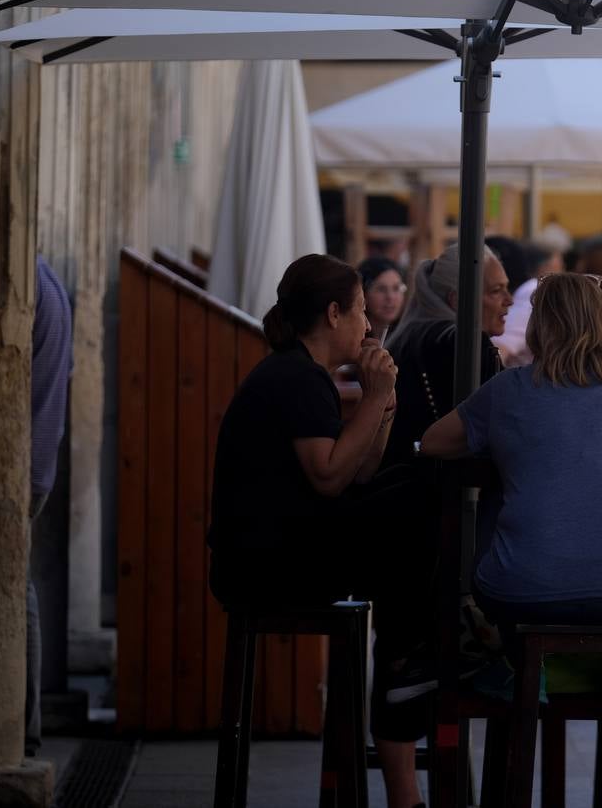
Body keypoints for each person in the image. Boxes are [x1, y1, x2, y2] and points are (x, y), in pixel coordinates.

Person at [207, 254, 432, 808]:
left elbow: (362, 469)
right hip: (268, 565)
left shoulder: (307, 375)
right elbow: (331, 477)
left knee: (410, 480)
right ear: (333, 314)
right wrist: (374, 398)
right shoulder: (294, 377)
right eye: (360, 311)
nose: (369, 325)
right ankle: (409, 656)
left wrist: (382, 411)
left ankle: (409, 654)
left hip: (289, 548)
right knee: (419, 499)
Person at [420, 273, 602, 628]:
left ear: (539, 326)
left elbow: (434, 442)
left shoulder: (506, 390)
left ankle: (517, 666)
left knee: (497, 496)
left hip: (516, 593)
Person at [385, 244, 514, 467]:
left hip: (398, 479)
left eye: (507, 288)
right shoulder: (463, 343)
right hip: (440, 489)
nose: (509, 300)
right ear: (458, 301)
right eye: (496, 291)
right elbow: (506, 422)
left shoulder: (406, 336)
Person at [27, 256, 72, 758]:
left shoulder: (26, 286)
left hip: (18, 460)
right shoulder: (51, 282)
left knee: (13, 593)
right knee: (19, 591)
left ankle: (17, 729)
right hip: (39, 458)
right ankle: (20, 726)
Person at [490, 242, 561, 367]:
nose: (562, 272)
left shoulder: (531, 294)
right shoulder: (534, 293)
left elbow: (497, 351)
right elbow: (499, 349)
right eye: (559, 266)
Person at [358, 255, 407, 342]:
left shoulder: (411, 338)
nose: (390, 297)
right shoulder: (353, 342)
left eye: (396, 288)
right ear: (363, 294)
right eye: (381, 289)